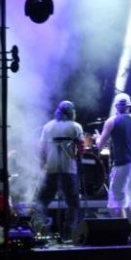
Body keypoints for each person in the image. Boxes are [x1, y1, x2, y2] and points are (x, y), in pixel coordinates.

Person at [96, 93, 131, 219]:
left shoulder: (111, 122)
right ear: (129, 106)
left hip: (123, 165)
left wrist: (97, 139)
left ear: (116, 106)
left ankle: (122, 228)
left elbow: (99, 145)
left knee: (116, 201)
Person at [37, 100, 84, 241]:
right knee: (73, 203)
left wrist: (43, 166)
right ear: (72, 112)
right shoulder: (76, 126)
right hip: (69, 169)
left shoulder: (48, 126)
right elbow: (81, 149)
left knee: (42, 201)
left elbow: (42, 150)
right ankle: (69, 234)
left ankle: (42, 232)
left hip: (51, 169)